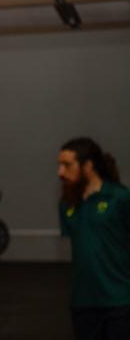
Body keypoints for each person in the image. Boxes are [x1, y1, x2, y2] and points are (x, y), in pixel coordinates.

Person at [58, 137, 130, 340]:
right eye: (59, 165)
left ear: (88, 165)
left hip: (120, 301)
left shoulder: (120, 197)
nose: (60, 172)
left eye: (67, 165)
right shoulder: (67, 203)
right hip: (83, 302)